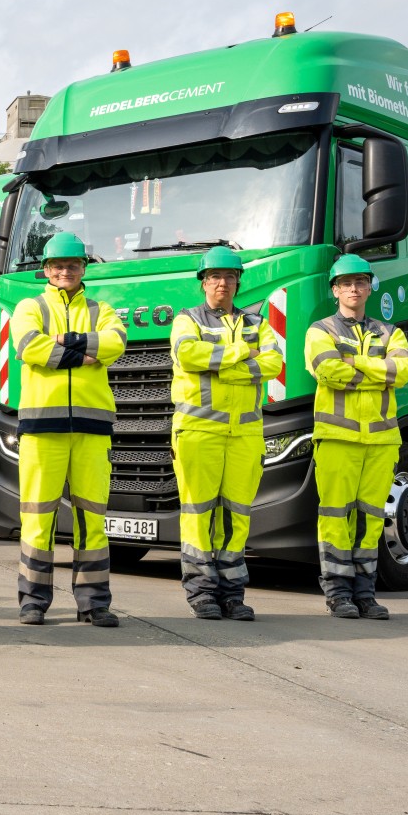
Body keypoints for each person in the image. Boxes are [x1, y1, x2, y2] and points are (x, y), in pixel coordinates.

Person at [4, 232, 126, 626]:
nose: (64, 271)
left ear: (83, 269)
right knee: (38, 516)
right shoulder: (29, 306)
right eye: (57, 266)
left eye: (72, 266)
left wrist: (62, 342)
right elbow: (27, 346)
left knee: (93, 516)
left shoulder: (102, 308)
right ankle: (33, 602)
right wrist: (83, 354)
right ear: (46, 270)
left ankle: (94, 603)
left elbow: (116, 343)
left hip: (92, 427)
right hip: (42, 426)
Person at [167, 245, 286, 620]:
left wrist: (219, 360)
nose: (222, 283)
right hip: (198, 430)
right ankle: (202, 593)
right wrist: (241, 354)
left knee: (237, 514)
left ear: (238, 283)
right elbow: (188, 355)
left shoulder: (256, 323)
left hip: (245, 434)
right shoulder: (187, 319)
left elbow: (272, 363)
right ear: (203, 282)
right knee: (199, 512)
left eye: (229, 277)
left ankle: (233, 594)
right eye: (215, 277)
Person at [305, 254, 408, 618]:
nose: (354, 288)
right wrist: (378, 369)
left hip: (381, 442)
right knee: (336, 517)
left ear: (370, 287)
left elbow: (404, 370)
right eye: (346, 283)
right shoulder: (320, 330)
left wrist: (355, 364)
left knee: (370, 519)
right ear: (335, 289)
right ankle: (338, 594)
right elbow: (327, 370)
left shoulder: (390, 331)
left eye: (361, 282)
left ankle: (365, 594)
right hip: (337, 439)